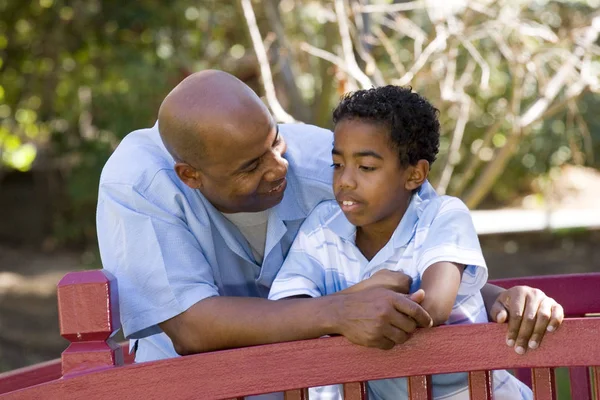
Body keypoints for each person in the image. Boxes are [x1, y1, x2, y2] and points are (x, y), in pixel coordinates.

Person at [96, 70, 563, 384]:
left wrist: (500, 297)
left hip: (314, 379)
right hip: (197, 385)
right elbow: (191, 328)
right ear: (191, 176)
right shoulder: (138, 184)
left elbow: (427, 245)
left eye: (275, 141)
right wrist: (338, 311)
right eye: (252, 166)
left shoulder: (334, 163)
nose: (279, 167)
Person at [268, 86, 531, 399]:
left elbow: (433, 307)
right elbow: (285, 312)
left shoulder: (442, 216)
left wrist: (332, 312)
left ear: (414, 175)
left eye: (366, 167)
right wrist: (360, 296)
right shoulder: (321, 227)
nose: (345, 180)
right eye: (338, 164)